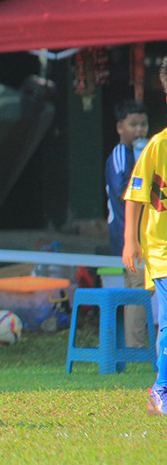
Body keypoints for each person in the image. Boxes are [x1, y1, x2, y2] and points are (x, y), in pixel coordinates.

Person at [123, 59, 167, 416]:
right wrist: (130, 241)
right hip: (162, 248)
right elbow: (136, 197)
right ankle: (160, 390)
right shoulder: (157, 146)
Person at [106, 99, 150, 348]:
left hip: (149, 235)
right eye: (133, 124)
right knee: (136, 289)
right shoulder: (121, 155)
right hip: (129, 236)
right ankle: (134, 348)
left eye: (143, 124)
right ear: (120, 127)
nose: (139, 130)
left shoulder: (145, 153)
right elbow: (125, 192)